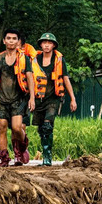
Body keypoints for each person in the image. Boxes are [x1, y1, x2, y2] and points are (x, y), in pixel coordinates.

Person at [0, 29, 38, 166]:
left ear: (18, 42)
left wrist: (32, 98)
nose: (11, 41)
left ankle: (22, 146)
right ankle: (4, 158)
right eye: (8, 38)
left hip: (18, 99)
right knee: (2, 127)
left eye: (14, 38)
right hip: (1, 100)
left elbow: (29, 78)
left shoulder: (24, 59)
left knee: (17, 128)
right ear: (4, 41)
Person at [31, 33, 77, 166]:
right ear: (40, 44)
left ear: (53, 45)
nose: (46, 45)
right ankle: (46, 153)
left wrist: (73, 99)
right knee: (41, 129)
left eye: (49, 42)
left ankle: (47, 157)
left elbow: (65, 79)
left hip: (53, 99)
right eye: (44, 42)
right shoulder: (34, 59)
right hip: (39, 98)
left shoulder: (59, 60)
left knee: (47, 126)